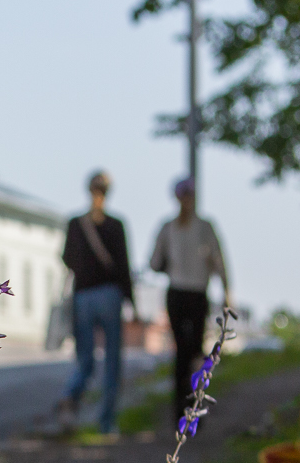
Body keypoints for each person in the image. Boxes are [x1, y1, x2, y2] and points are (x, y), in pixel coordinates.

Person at [148, 177, 231, 424]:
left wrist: (227, 290)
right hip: (185, 294)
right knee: (188, 353)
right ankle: (184, 411)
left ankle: (190, 409)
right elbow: (155, 262)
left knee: (190, 353)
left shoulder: (193, 227)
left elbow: (154, 263)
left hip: (190, 294)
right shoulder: (178, 227)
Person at [57, 170, 134, 435]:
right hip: (110, 295)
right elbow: (124, 266)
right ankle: (106, 423)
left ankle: (71, 395)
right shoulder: (116, 225)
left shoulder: (76, 224)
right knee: (112, 361)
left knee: (85, 358)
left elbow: (67, 258)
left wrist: (84, 268)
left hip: (83, 296)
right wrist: (131, 300)